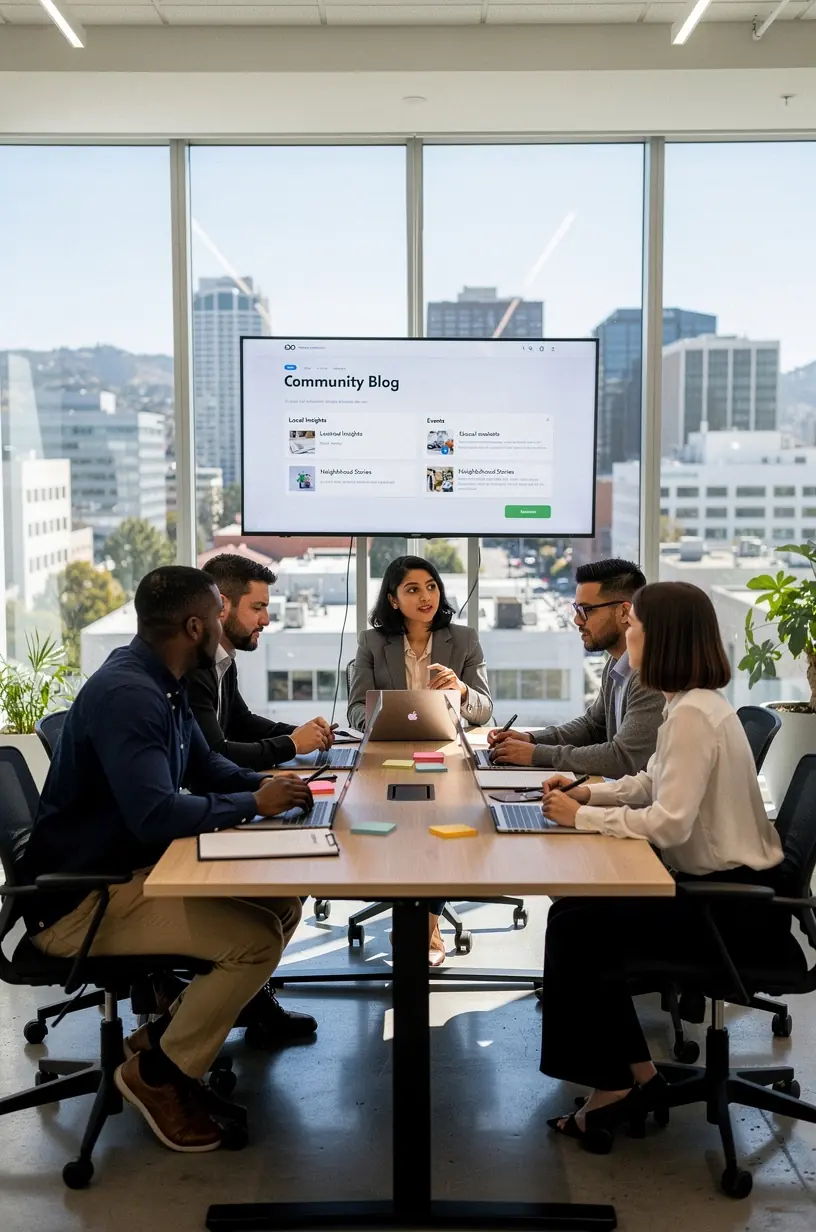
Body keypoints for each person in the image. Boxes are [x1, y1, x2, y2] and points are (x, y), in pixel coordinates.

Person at [22, 566, 318, 1153]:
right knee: (254, 940)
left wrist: (269, 789)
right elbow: (155, 815)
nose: (224, 622)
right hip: (81, 902)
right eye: (217, 614)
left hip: (128, 873)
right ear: (193, 625)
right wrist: (252, 801)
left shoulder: (164, 680)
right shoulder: (130, 696)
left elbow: (207, 767)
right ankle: (158, 1075)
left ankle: (159, 1042)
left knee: (280, 901)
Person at [536, 581, 785, 1149]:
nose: (629, 633)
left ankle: (616, 1086)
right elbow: (649, 783)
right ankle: (634, 1078)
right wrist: (587, 795)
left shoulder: (697, 714)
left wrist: (580, 820)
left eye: (636, 627)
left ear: (662, 637)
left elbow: (669, 823)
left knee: (578, 926)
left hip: (728, 909)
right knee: (577, 912)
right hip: (714, 890)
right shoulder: (687, 704)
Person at [347, 554, 493, 965]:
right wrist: (381, 715)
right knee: (395, 829)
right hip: (386, 754)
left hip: (446, 756)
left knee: (442, 826)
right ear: (393, 600)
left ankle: (425, 924)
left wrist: (462, 692)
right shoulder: (372, 642)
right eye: (412, 589)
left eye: (431, 586)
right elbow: (356, 710)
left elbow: (484, 712)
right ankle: (416, 918)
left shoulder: (463, 639)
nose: (426, 596)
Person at [488, 558, 664, 776]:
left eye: (586, 610)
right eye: (576, 609)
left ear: (623, 612)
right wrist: (532, 739)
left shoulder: (651, 675)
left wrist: (535, 754)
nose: (577, 620)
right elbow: (593, 727)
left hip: (643, 808)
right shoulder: (616, 664)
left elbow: (622, 758)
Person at [189, 553, 334, 769]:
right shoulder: (193, 667)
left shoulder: (224, 659)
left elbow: (241, 723)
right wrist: (293, 744)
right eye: (257, 607)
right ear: (221, 605)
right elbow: (216, 754)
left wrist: (301, 733)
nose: (266, 619)